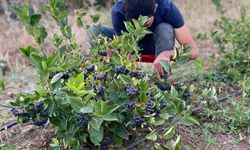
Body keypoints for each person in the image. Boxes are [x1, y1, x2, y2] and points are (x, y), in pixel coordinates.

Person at [87, 0, 199, 77]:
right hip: (130, 46)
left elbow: (193, 51)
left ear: (155, 8)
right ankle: (108, 77)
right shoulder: (118, 10)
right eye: (134, 22)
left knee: (165, 27)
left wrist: (168, 54)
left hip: (156, 47)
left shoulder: (167, 8)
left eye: (144, 22)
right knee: (94, 30)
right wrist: (113, 53)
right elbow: (121, 46)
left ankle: (162, 79)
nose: (140, 24)